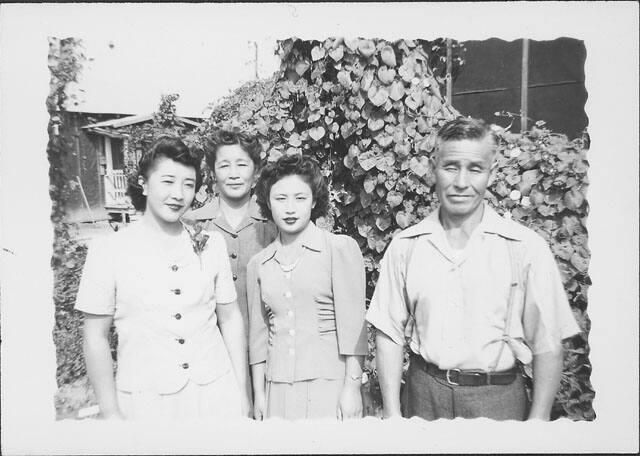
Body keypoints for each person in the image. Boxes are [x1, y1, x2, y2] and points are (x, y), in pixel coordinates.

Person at [367, 117, 581, 421]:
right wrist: (391, 413)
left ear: (490, 174)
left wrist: (538, 422)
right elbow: (388, 332)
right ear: (433, 169)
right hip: (423, 398)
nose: (461, 182)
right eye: (451, 166)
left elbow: (547, 344)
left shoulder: (523, 248)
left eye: (475, 169)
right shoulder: (406, 245)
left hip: (497, 401)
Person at [76, 136, 251, 420]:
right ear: (144, 184)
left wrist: (241, 394)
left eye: (188, 184)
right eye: (168, 181)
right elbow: (95, 336)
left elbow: (230, 319)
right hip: (146, 403)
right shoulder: (107, 250)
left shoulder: (212, 243)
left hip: (216, 397)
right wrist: (110, 412)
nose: (178, 194)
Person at [247, 154, 368, 420]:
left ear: (314, 201)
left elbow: (353, 328)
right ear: (268, 202)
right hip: (277, 390)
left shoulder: (339, 249)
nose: (290, 208)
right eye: (280, 199)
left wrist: (352, 387)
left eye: (300, 198)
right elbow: (258, 338)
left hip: (330, 386)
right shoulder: (260, 264)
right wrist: (260, 394)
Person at [182, 128, 277, 402]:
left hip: (268, 352)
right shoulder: (192, 225)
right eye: (224, 165)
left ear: (256, 171)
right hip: (211, 356)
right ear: (212, 173)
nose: (234, 173)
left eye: (242, 164)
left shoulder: (275, 223)